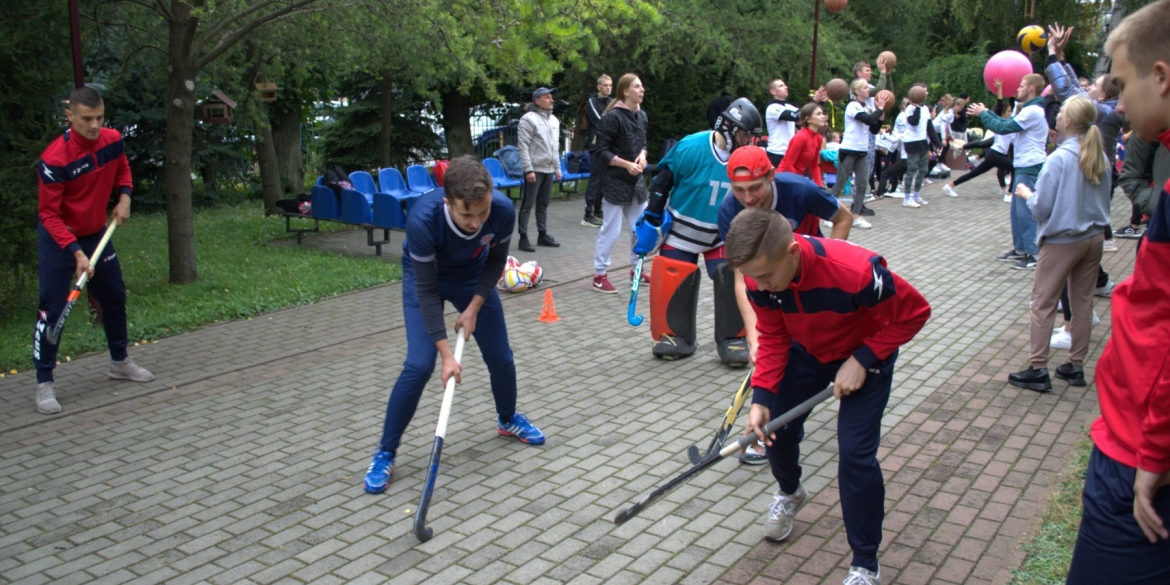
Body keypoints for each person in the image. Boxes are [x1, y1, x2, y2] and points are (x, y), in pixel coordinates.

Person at [726, 208, 930, 585]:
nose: (762, 286)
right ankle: (790, 492)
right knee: (775, 433)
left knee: (855, 457)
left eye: (767, 276)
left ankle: (865, 564)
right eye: (755, 279)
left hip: (866, 357)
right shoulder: (761, 280)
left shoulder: (857, 272)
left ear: (791, 251)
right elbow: (773, 335)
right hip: (806, 354)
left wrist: (864, 358)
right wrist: (762, 396)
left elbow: (915, 312)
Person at [363, 156, 545, 494]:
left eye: (483, 212)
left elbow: (494, 264)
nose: (476, 222)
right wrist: (448, 355)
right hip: (426, 281)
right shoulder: (423, 219)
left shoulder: (502, 211)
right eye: (467, 214)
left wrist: (474, 307)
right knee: (419, 364)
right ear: (448, 202)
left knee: (501, 356)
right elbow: (428, 293)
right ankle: (385, 453)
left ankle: (508, 420)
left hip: (472, 277)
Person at [1065, 2, 1170, 580]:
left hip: (1140, 454)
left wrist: (1155, 449)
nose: (1119, 102)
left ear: (1161, 77)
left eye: (1123, 84)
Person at [716, 146, 853, 463]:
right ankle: (772, 432)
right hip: (768, 285)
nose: (747, 198)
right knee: (775, 355)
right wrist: (754, 336)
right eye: (739, 190)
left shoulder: (799, 189)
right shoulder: (729, 212)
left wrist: (829, 263)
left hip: (810, 278)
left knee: (820, 351)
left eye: (755, 188)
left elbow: (843, 218)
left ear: (771, 176)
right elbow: (742, 279)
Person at [33, 86, 154, 415]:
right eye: (87, 118)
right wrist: (75, 253)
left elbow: (122, 170)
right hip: (60, 240)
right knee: (53, 310)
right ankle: (45, 382)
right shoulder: (54, 160)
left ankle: (120, 362)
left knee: (114, 297)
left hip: (97, 235)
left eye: (99, 117)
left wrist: (125, 197)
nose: (94, 125)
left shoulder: (113, 140)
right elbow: (49, 215)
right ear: (69, 115)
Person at [631, 97, 763, 366]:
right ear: (728, 127)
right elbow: (662, 180)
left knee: (732, 278)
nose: (748, 140)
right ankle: (674, 335)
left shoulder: (746, 158)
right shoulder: (691, 146)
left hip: (722, 234)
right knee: (672, 276)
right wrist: (652, 215)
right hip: (681, 231)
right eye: (744, 133)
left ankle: (733, 338)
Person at [1007, 96, 1112, 393]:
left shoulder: (1058, 159)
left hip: (1063, 239)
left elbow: (1041, 208)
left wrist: (1026, 193)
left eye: (1061, 112)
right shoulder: (1099, 156)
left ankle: (1038, 368)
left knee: (1043, 304)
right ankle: (1075, 365)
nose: (1057, 115)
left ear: (1067, 122)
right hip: (1093, 238)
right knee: (1081, 303)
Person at [970, 73, 1051, 270]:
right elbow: (1006, 125)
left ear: (1031, 88)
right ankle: (1021, 250)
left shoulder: (1033, 111)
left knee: (1025, 212)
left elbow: (1003, 128)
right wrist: (988, 112)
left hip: (1030, 166)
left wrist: (983, 113)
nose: (1017, 89)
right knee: (1017, 212)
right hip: (1022, 165)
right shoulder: (1028, 109)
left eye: (1022, 86)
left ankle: (1034, 253)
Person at [591, 73, 649, 293]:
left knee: (640, 229)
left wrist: (642, 157)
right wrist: (625, 164)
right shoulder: (612, 117)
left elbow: (643, 143)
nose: (641, 90)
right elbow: (601, 150)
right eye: (637, 86)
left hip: (637, 183)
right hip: (615, 182)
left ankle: (637, 269)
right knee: (611, 230)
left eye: (642, 86)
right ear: (625, 91)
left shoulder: (642, 116)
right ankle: (599, 275)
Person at [831, 80, 889, 228]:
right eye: (864, 87)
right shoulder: (852, 105)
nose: (868, 89)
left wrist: (881, 114)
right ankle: (827, 215)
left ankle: (855, 216)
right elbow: (868, 119)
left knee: (862, 184)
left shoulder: (868, 107)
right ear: (856, 91)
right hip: (849, 150)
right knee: (840, 184)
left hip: (862, 151)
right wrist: (879, 109)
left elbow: (874, 129)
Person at [943, 81, 1014, 199]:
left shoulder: (1011, 124)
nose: (1010, 113)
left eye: (1011, 111)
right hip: (995, 154)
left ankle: (950, 186)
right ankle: (1008, 194)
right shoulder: (1001, 123)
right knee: (1015, 167)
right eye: (1008, 111)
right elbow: (1000, 105)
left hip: (994, 154)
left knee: (974, 173)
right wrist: (1000, 89)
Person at [516, 87, 562, 252]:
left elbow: (555, 147)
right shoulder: (528, 120)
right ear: (537, 101)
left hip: (549, 169)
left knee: (543, 204)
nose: (551, 100)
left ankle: (542, 235)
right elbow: (523, 146)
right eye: (547, 97)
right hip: (535, 169)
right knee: (528, 204)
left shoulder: (554, 121)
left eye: (551, 97)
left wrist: (557, 168)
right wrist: (528, 170)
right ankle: (523, 237)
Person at [1116, 133, 1170, 239]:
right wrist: (1154, 205)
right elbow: (1132, 176)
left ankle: (1134, 225)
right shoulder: (1155, 126)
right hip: (1160, 227)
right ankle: (1134, 225)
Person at [582, 74, 613, 227]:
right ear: (598, 87)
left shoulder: (612, 102)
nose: (608, 88)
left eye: (610, 85)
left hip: (608, 146)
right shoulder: (591, 102)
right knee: (595, 179)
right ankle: (588, 213)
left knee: (604, 178)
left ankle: (599, 209)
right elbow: (600, 121)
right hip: (596, 146)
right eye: (605, 85)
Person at [778, 102, 829, 187]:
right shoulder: (800, 137)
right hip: (785, 178)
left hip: (798, 178)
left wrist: (820, 186)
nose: (823, 116)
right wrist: (799, 183)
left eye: (822, 113)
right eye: (819, 114)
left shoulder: (818, 138)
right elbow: (788, 164)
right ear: (808, 119)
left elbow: (814, 165)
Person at [764, 79, 800, 167]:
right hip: (776, 153)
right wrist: (813, 101)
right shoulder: (772, 108)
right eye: (781, 86)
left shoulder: (789, 107)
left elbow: (807, 116)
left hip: (790, 153)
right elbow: (793, 116)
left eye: (784, 85)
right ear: (773, 91)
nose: (786, 87)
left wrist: (818, 102)